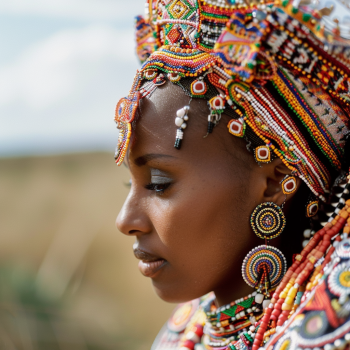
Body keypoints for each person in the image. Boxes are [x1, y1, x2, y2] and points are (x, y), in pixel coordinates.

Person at [115, 0, 350, 349]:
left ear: (274, 180)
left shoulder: (334, 320)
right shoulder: (183, 332)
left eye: (160, 183)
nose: (125, 220)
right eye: (130, 183)